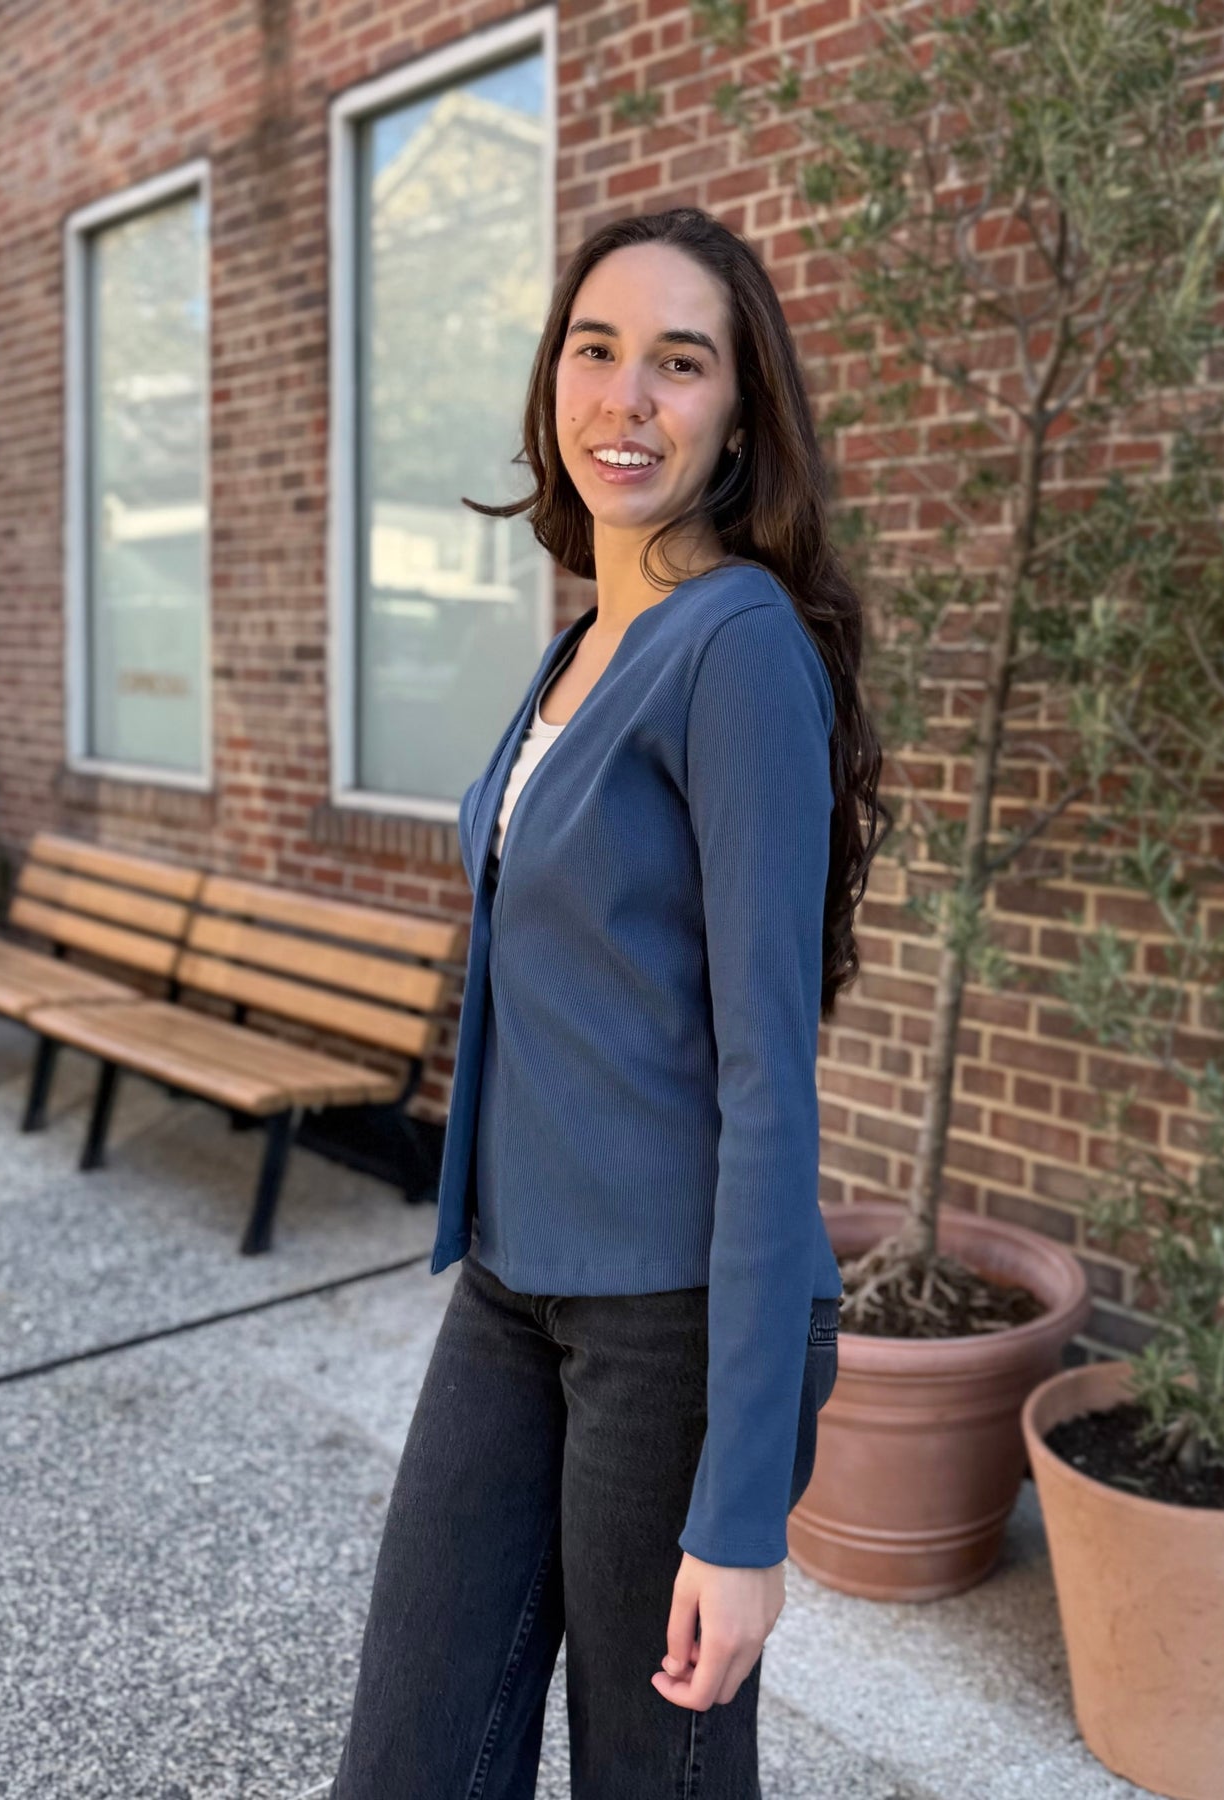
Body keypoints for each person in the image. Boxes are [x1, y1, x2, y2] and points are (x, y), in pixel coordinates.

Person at [328, 205, 885, 1800]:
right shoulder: (583, 644)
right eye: (595, 349)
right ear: (552, 380)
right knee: (411, 1759)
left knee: (656, 1777)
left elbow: (769, 1079)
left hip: (672, 1319)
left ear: (739, 413)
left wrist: (742, 1515)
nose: (625, 398)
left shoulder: (737, 647)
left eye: (678, 362)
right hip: (511, 1287)